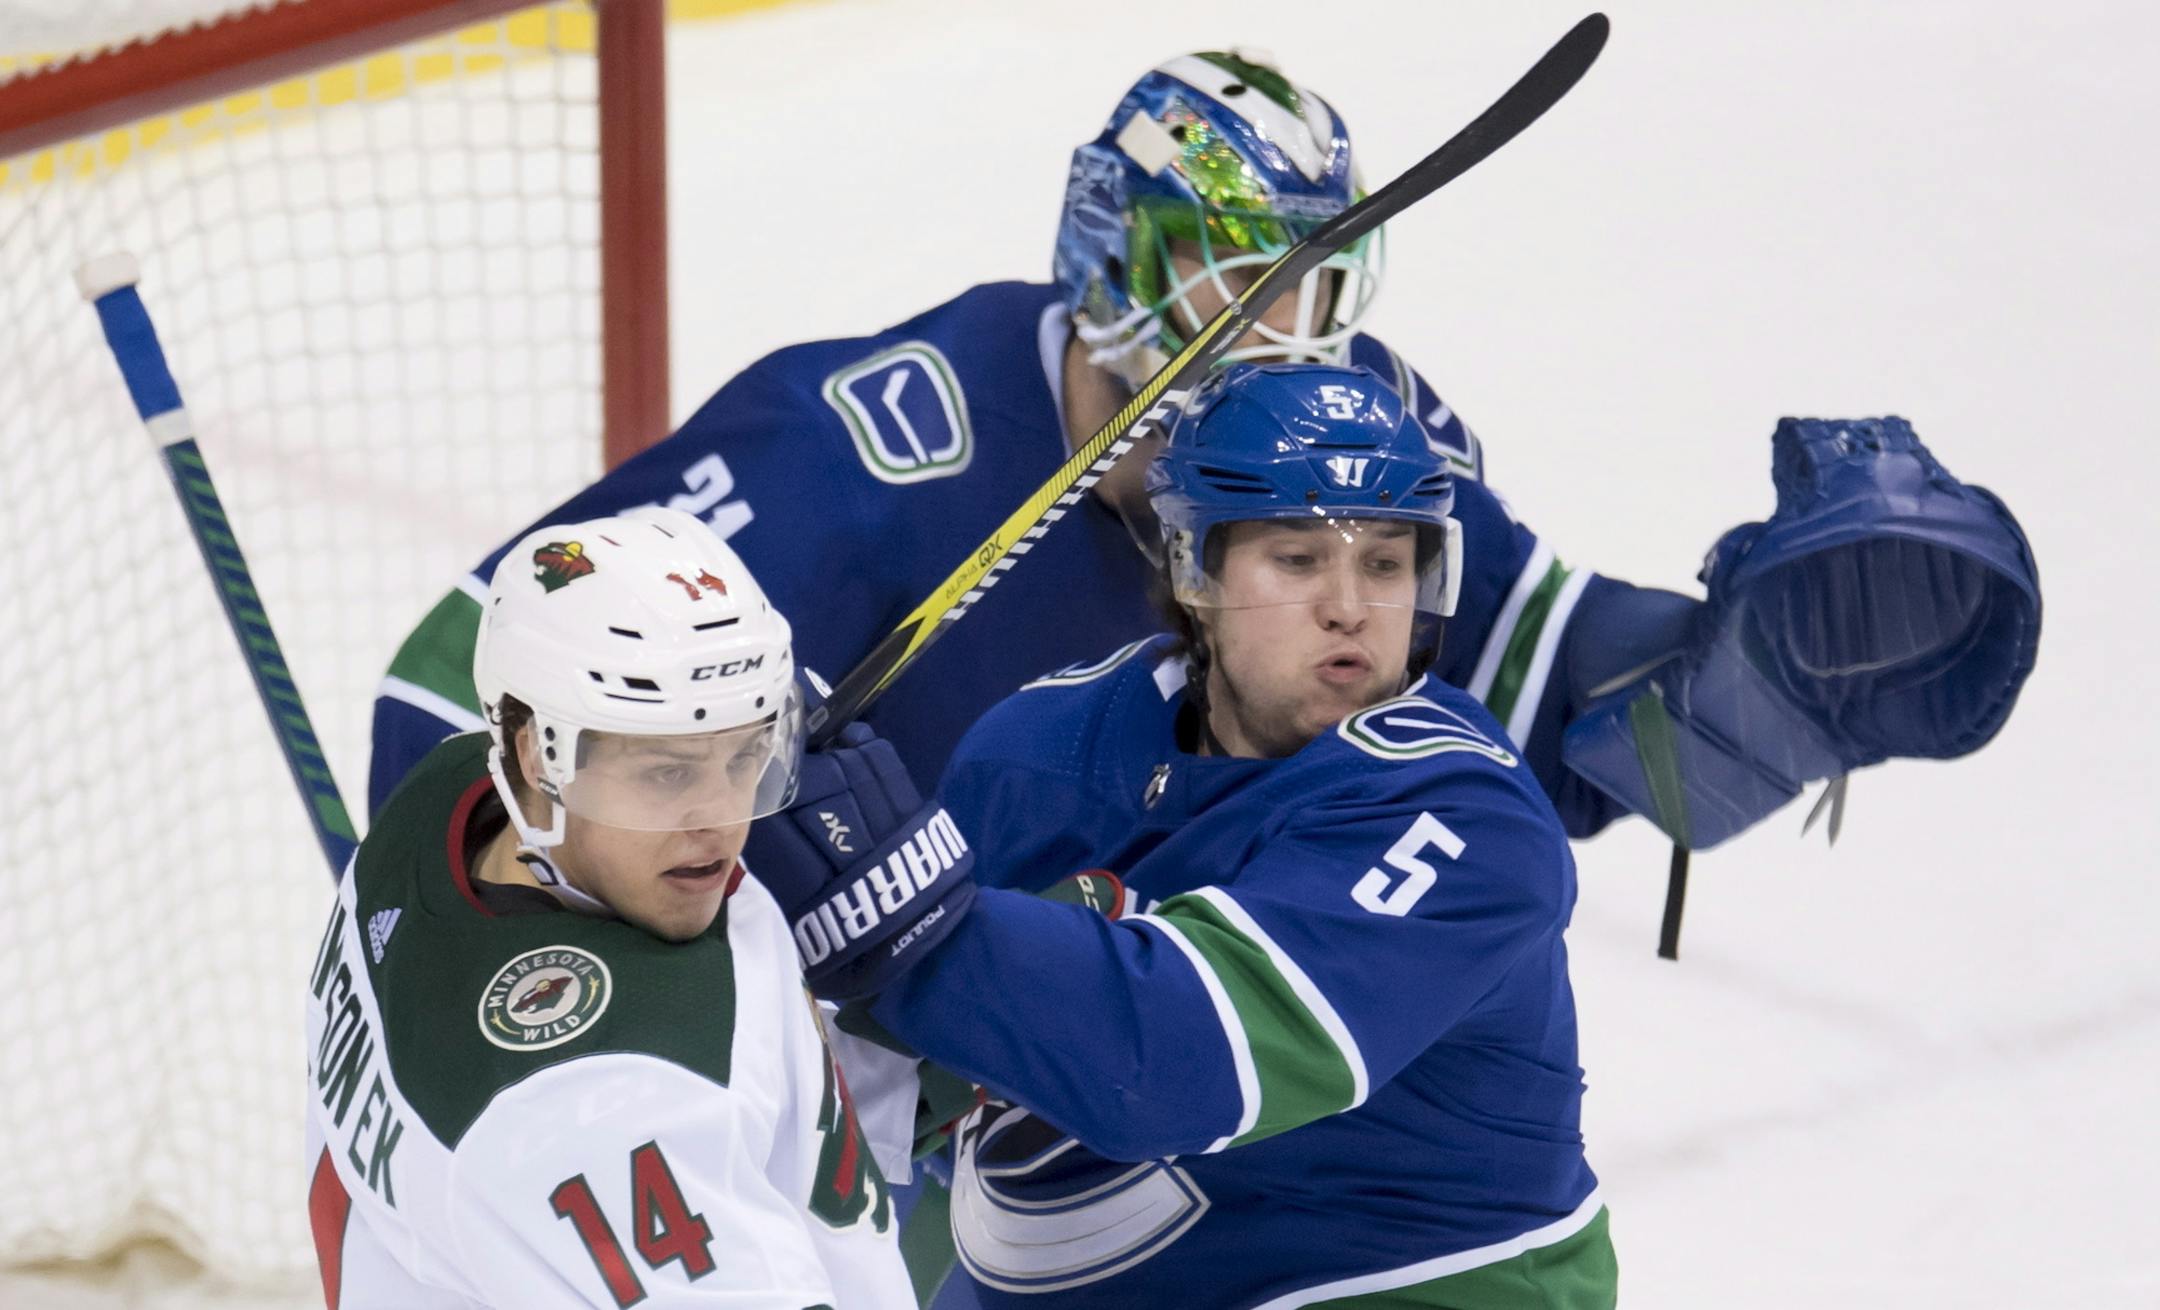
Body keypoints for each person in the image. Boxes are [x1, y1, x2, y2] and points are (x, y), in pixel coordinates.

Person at [367, 49, 1698, 849]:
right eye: (1234, 284)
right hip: (892, 1088)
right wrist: (478, 904)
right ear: (1112, 255)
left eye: (1318, 292)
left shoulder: (1348, 436)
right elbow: (454, 680)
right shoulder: (866, 463)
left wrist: (1747, 677)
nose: (1286, 348)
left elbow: (1545, 679)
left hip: (1162, 1050)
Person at [748, 364, 1617, 1308]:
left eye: (1385, 562)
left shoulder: (1464, 814)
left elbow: (1176, 1063)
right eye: (1298, 559)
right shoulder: (1044, 745)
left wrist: (900, 911)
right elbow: (888, 1055)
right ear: (1192, 568)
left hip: (1397, 1282)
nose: (1351, 607)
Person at [304, 507, 914, 1308]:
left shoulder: (446, 796)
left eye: (744, 759)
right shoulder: (608, 1107)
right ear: (536, 756)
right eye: (668, 774)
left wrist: (914, 1043)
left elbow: (751, 1092)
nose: (720, 820)